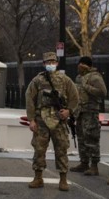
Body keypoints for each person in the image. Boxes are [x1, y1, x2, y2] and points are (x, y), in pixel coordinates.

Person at [25, 52, 79, 191]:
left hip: (59, 120)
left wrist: (68, 111)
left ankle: (63, 179)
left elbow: (75, 97)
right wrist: (31, 119)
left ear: (57, 63)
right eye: (48, 62)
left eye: (53, 62)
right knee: (39, 149)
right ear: (44, 64)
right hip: (41, 120)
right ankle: (38, 177)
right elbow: (29, 99)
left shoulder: (65, 80)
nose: (50, 64)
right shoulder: (38, 80)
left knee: (61, 149)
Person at [70, 56, 107, 176]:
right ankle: (84, 162)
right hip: (80, 112)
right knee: (81, 138)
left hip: (90, 112)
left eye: (81, 64)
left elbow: (102, 92)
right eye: (78, 64)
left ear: (87, 66)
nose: (79, 67)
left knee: (91, 138)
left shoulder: (95, 77)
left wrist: (86, 86)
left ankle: (94, 166)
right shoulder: (79, 77)